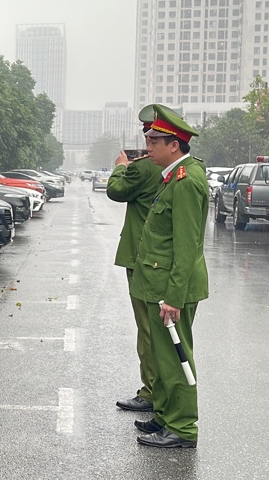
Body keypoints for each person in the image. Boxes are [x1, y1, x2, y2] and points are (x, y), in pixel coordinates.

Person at [130, 106, 208, 448]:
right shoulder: (173, 177)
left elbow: (187, 246)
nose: (148, 147)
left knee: (176, 359)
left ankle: (182, 427)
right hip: (155, 284)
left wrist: (174, 297)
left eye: (153, 140)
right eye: (148, 139)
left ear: (173, 145)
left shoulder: (187, 181)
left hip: (170, 288)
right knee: (162, 358)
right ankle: (164, 415)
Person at [106, 106, 165, 414]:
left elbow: (115, 191)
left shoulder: (143, 168)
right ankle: (160, 390)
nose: (147, 140)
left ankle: (152, 391)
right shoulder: (179, 168)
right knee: (158, 330)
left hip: (142, 257)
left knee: (147, 329)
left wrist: (120, 166)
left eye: (151, 135)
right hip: (159, 257)